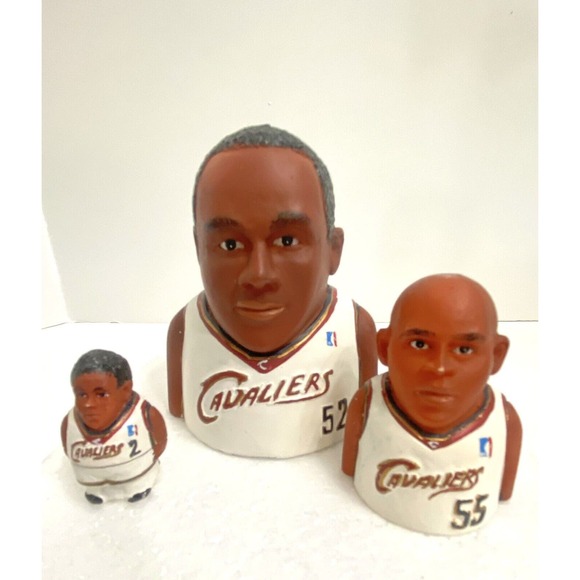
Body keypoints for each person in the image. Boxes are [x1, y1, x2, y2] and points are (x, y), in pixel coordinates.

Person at [167, 124, 377, 458]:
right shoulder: (185, 331)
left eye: (287, 241)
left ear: (333, 249)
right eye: (230, 245)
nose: (259, 275)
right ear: (198, 249)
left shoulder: (355, 329)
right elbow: (176, 409)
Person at [342, 274, 522, 535]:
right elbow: (348, 468)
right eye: (420, 344)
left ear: (496, 355)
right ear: (384, 347)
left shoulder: (503, 422)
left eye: (463, 350)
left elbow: (504, 493)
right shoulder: (367, 405)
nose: (440, 368)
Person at [61, 349, 167, 504]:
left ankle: (138, 487)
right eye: (82, 395)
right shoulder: (71, 422)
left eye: (101, 394)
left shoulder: (144, 414)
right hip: (93, 479)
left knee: (137, 482)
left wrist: (150, 458)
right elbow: (67, 447)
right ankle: (96, 491)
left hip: (136, 474)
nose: (89, 404)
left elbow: (160, 440)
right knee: (94, 485)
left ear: (125, 390)